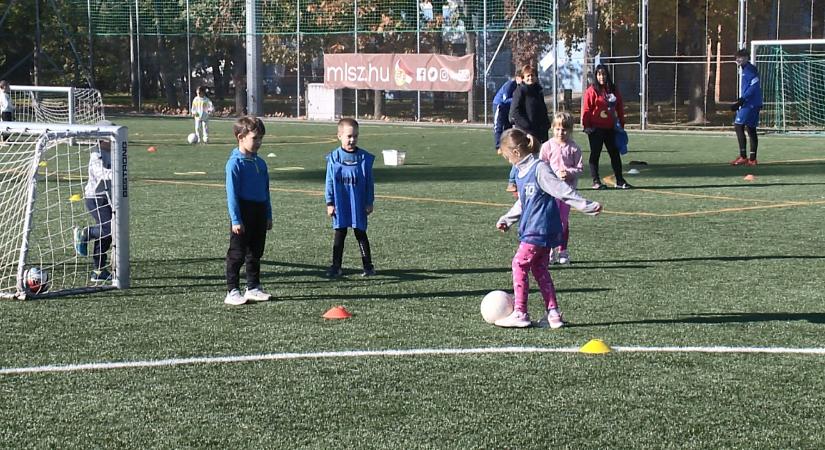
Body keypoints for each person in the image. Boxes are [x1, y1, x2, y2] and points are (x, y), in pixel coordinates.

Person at [495, 128, 602, 328]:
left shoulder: (539, 169)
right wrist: (508, 219)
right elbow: (523, 202)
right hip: (537, 229)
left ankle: (520, 312)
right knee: (539, 268)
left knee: (519, 265)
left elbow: (561, 190)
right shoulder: (520, 172)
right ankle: (553, 314)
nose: (509, 161)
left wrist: (586, 206)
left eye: (508, 157)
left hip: (539, 228)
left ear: (516, 153)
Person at [223, 116, 273, 306]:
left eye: (261, 138)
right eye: (255, 138)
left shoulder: (261, 164)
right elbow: (232, 195)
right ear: (240, 137)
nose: (259, 142)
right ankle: (232, 290)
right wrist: (236, 219)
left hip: (259, 212)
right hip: (243, 211)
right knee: (237, 253)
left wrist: (268, 215)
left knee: (255, 252)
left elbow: (266, 191)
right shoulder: (234, 164)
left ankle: (253, 287)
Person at [324, 118, 376, 278]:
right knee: (339, 235)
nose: (352, 140)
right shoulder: (333, 158)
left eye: (355, 136)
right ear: (339, 136)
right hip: (341, 204)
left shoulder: (364, 158)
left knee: (361, 234)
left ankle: (368, 266)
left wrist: (369, 202)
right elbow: (329, 181)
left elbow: (369, 182)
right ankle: (336, 266)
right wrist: (329, 202)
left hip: (358, 204)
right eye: (348, 136)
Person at [73, 120, 116, 282]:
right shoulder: (96, 154)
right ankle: (86, 233)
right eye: (111, 138)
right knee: (109, 228)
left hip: (109, 197)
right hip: (95, 198)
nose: (113, 141)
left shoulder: (113, 152)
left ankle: (98, 270)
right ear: (101, 138)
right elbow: (100, 172)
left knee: (109, 234)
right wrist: (116, 173)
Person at [540, 112, 584, 265]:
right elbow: (541, 166)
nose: (561, 132)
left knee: (563, 222)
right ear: (553, 128)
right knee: (549, 221)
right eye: (558, 129)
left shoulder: (574, 148)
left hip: (567, 192)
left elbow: (579, 168)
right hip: (550, 191)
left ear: (570, 130)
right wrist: (553, 174)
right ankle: (549, 251)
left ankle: (563, 250)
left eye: (564, 129)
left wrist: (569, 173)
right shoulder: (547, 146)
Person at [581, 64, 631, 189]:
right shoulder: (591, 90)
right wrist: (586, 125)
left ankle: (619, 180)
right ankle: (596, 181)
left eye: (603, 74)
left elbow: (619, 107)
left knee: (614, 154)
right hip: (596, 128)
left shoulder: (613, 90)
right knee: (595, 154)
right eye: (599, 74)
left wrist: (621, 124)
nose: (601, 77)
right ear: (595, 76)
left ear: (607, 75)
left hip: (611, 128)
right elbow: (586, 109)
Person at [507, 65, 550, 192]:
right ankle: (512, 181)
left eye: (532, 75)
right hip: (525, 130)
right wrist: (526, 127)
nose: (530, 78)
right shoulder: (520, 91)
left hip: (539, 130)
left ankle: (537, 180)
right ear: (523, 78)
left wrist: (546, 124)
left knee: (537, 156)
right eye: (528, 76)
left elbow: (542, 110)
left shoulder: (538, 91)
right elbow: (515, 111)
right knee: (523, 156)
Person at [730, 48, 762, 166]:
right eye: (737, 57)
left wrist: (741, 101)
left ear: (747, 58)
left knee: (738, 126)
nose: (738, 59)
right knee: (750, 128)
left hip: (750, 103)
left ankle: (744, 157)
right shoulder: (745, 69)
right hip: (752, 102)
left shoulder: (750, 69)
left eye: (741, 57)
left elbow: (754, 87)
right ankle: (752, 159)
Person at [492, 73, 522, 153]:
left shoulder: (521, 86)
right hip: (500, 105)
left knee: (508, 126)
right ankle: (498, 146)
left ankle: (508, 144)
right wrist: (516, 99)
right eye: (521, 77)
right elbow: (505, 100)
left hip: (509, 107)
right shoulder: (510, 84)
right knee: (498, 125)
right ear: (517, 77)